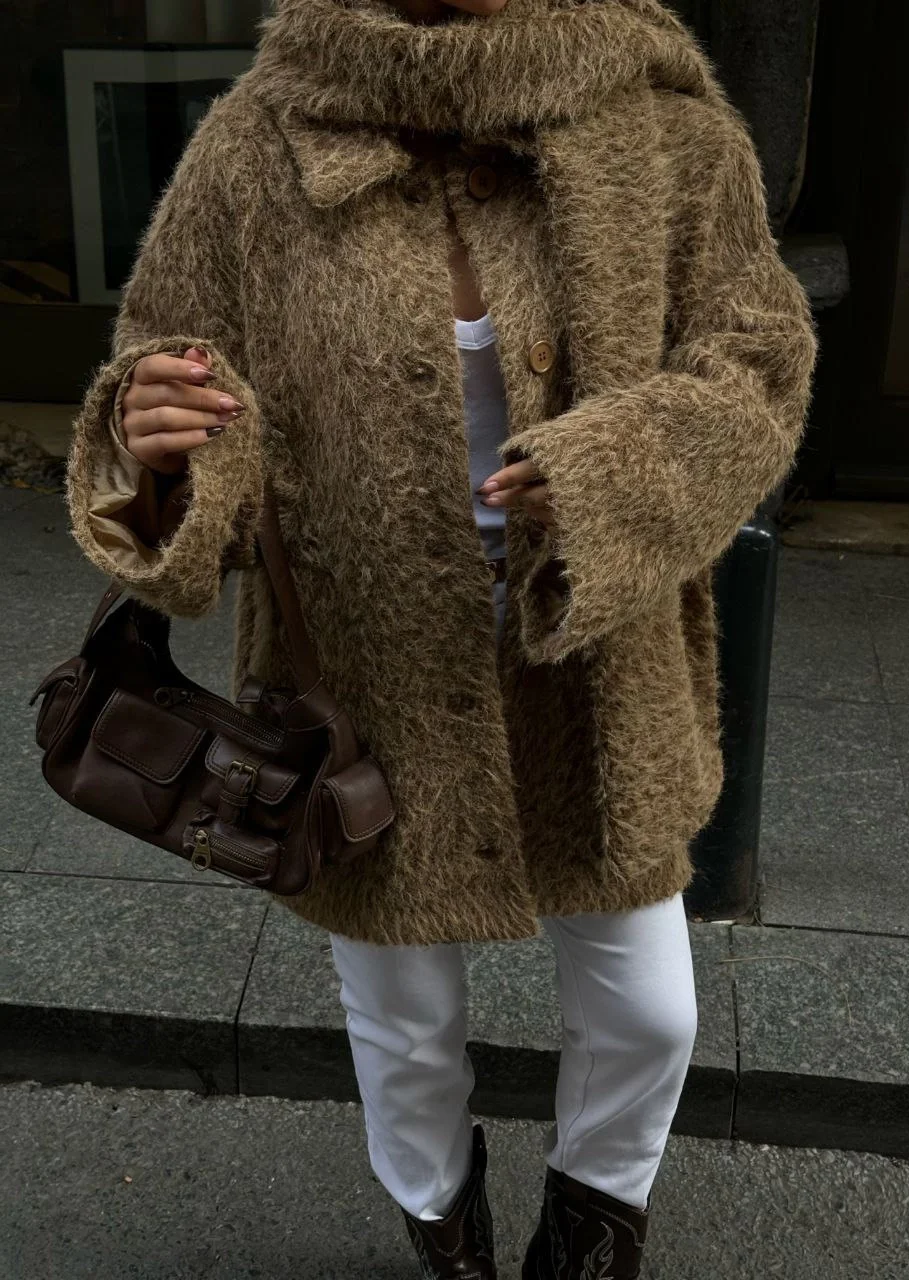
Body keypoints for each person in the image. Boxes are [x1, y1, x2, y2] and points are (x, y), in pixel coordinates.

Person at [66, 0, 818, 1274]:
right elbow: (173, 370)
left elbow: (760, 362)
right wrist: (155, 438)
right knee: (404, 1015)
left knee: (649, 1009)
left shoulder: (668, 132)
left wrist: (607, 472)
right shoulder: (258, 140)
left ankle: (591, 1231)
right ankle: (442, 1223)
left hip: (597, 658)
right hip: (366, 672)